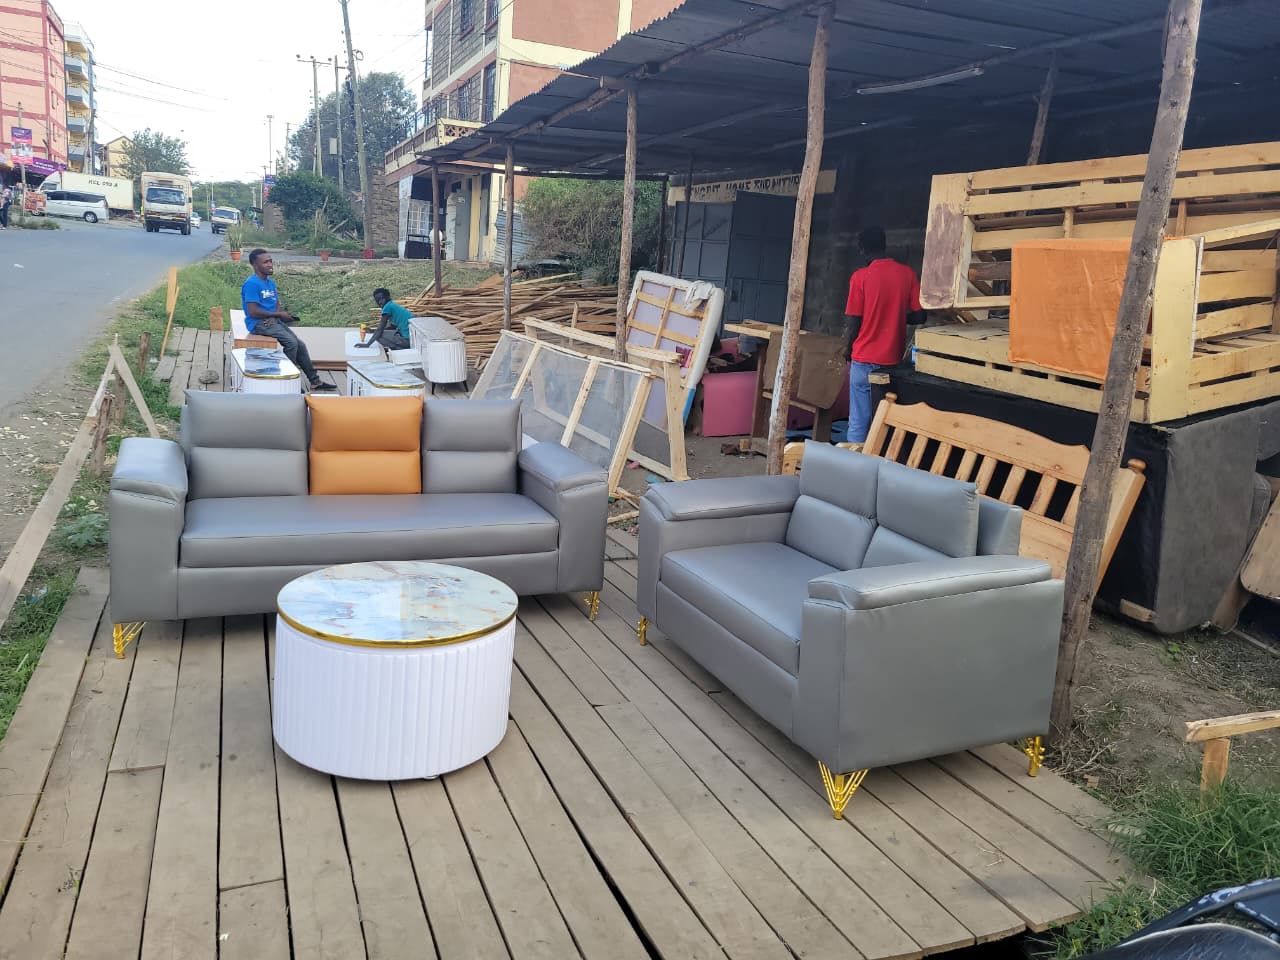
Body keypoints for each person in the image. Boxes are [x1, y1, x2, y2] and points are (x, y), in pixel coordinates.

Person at [841, 226, 923, 444]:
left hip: (864, 359)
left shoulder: (860, 277)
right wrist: (897, 317)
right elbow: (920, 315)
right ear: (885, 245)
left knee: (859, 420)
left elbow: (854, 320)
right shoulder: (907, 274)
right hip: (893, 364)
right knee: (886, 420)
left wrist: (846, 349)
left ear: (862, 249)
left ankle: (851, 468)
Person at [241, 249, 336, 392]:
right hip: (258, 323)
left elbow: (275, 302)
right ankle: (285, 380)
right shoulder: (252, 284)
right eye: (265, 262)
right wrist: (278, 316)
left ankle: (315, 381)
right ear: (255, 265)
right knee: (291, 343)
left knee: (300, 345)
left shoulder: (270, 282)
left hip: (271, 320)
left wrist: (276, 315)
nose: (270, 264)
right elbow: (252, 311)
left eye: (271, 261)